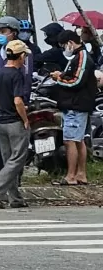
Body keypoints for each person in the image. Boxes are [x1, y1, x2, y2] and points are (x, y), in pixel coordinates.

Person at [0, 40, 32, 209]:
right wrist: (25, 118)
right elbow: (18, 101)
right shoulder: (17, 75)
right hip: (14, 122)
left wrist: (3, 104)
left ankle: (15, 198)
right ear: (21, 56)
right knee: (17, 160)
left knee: (8, 160)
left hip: (0, 122)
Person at [49, 30, 97, 186]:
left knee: (70, 141)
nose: (64, 49)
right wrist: (62, 74)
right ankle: (80, 174)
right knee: (78, 140)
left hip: (76, 106)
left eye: (64, 45)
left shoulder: (82, 57)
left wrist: (59, 78)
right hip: (74, 105)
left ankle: (71, 176)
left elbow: (76, 81)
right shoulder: (77, 57)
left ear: (70, 42)